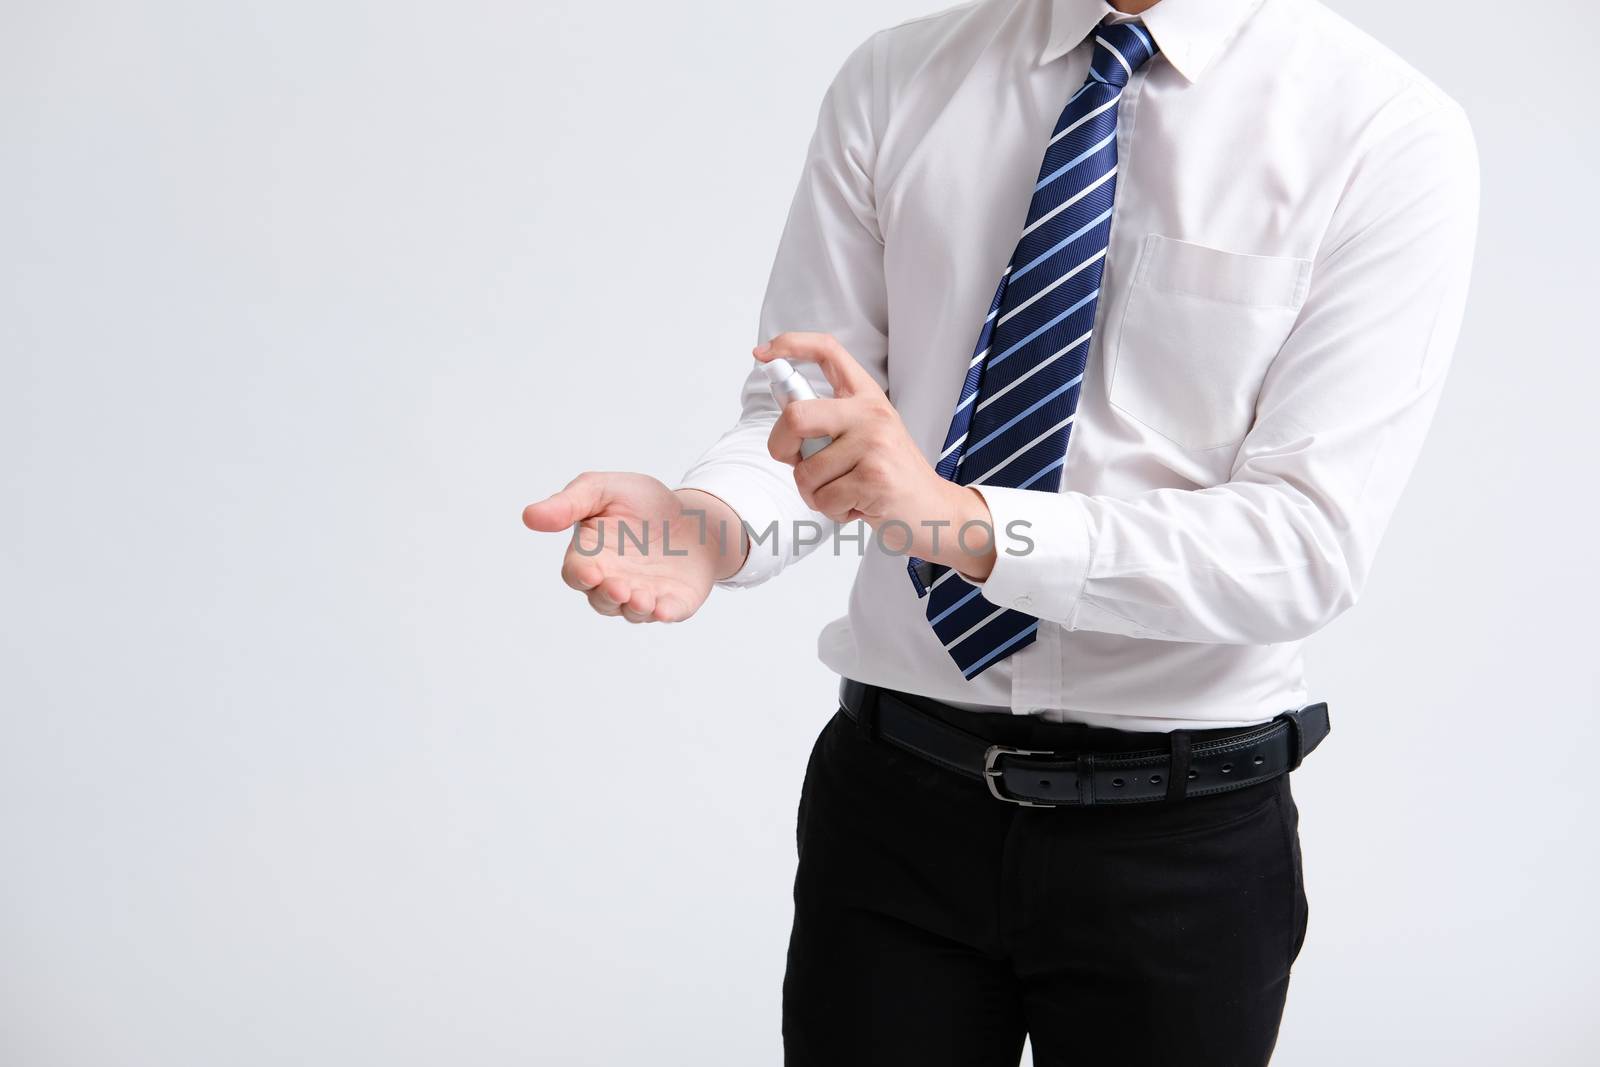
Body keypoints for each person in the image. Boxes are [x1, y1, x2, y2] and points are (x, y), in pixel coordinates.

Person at [522, 0, 1478, 1062]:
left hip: (1178, 844)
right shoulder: (897, 79)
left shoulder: (1382, 128)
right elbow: (814, 418)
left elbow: (1301, 545)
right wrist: (708, 523)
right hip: (895, 811)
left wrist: (964, 523)